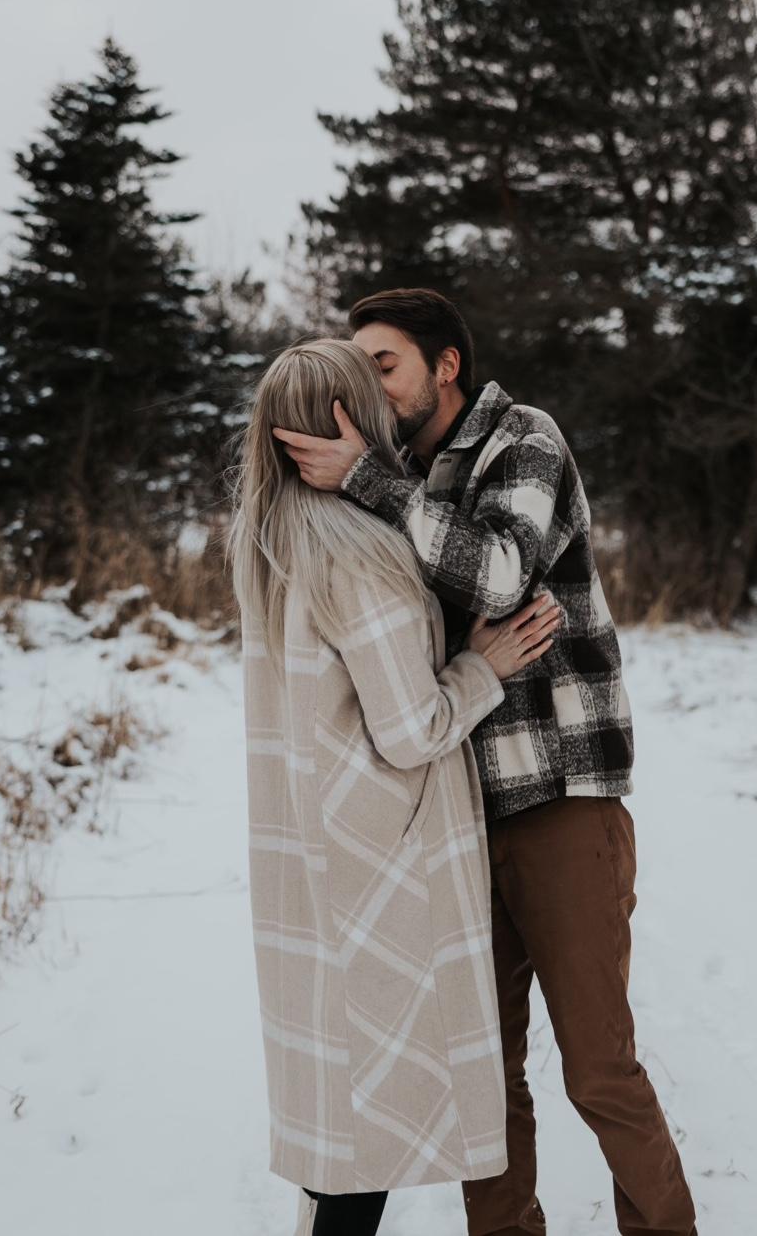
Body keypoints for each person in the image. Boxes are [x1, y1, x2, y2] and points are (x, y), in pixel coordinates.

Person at [273, 290, 699, 1236]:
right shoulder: (392, 476)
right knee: (486, 1076)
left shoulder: (522, 440)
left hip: (557, 797)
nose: (369, 392)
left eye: (383, 367)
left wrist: (371, 487)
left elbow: (502, 573)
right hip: (458, 810)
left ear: (445, 365)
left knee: (598, 1067)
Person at [228, 338, 562, 1236]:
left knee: (343, 1127)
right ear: (347, 419)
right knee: (362, 1144)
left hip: (316, 854)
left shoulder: (271, 546)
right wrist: (482, 666)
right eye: (367, 387)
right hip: (380, 864)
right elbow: (412, 729)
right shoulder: (360, 559)